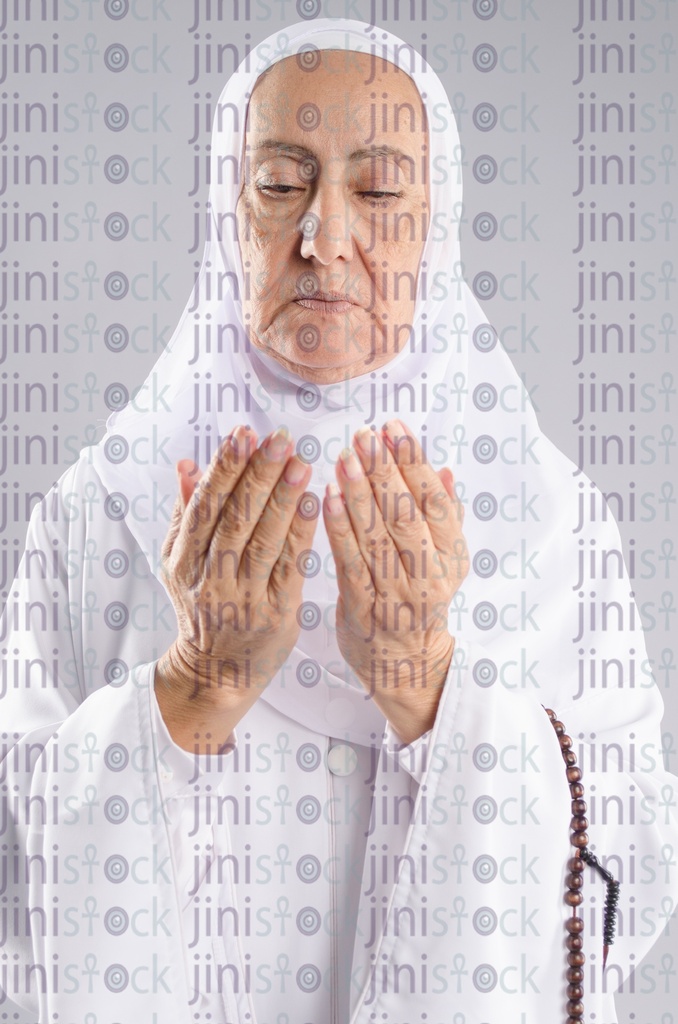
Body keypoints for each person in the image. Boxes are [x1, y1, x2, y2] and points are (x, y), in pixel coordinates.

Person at [2, 18, 676, 1023]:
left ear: (435, 226)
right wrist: (192, 688)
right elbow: (18, 872)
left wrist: (432, 687)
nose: (324, 236)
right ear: (229, 213)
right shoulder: (103, 510)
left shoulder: (545, 519)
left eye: (377, 190)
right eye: (280, 184)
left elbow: (633, 865)